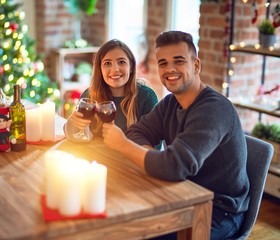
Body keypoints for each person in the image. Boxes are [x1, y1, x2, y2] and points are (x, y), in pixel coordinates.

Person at [102, 31, 249, 240]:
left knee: (134, 233)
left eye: (178, 61)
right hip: (177, 193)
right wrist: (157, 160)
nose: (169, 69)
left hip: (218, 210)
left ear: (196, 65)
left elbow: (174, 166)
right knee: (117, 221)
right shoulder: (171, 103)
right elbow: (137, 132)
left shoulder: (213, 109)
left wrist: (124, 146)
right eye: (163, 63)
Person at [64, 39, 158, 141]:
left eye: (121, 62)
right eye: (107, 63)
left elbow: (155, 145)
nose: (115, 70)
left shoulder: (147, 96)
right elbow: (79, 137)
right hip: (96, 156)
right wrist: (72, 124)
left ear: (131, 67)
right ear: (100, 69)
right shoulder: (89, 96)